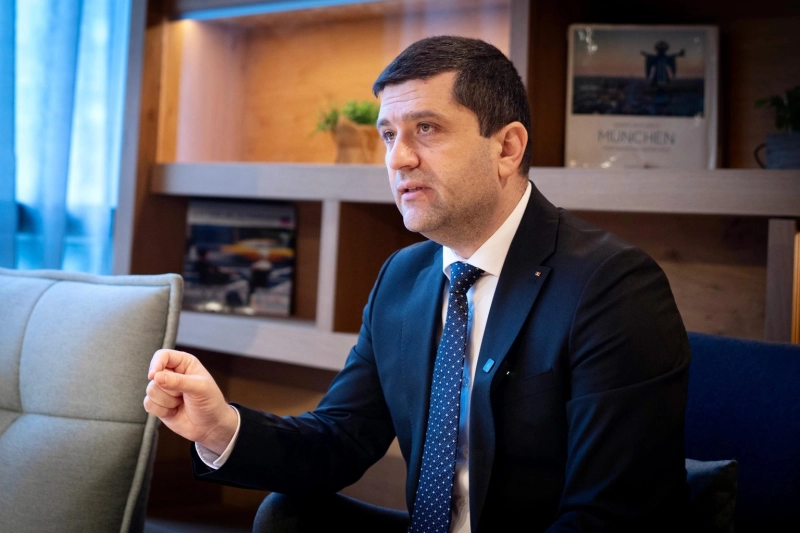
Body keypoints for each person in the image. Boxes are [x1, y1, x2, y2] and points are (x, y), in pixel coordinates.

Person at [144, 35, 691, 532]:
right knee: (286, 517)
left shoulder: (612, 287)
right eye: (389, 135)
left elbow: (607, 517)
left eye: (426, 129)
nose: (398, 159)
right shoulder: (402, 278)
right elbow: (339, 440)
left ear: (507, 147)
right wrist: (220, 428)